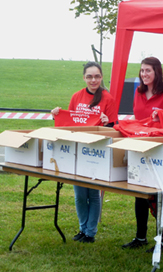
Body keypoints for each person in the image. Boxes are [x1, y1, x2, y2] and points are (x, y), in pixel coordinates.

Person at [51, 61, 118, 243]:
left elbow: (114, 129)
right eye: (89, 76)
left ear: (101, 77)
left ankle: (90, 232)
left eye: (96, 76)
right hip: (77, 151)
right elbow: (69, 121)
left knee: (93, 194)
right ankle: (82, 228)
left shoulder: (108, 99)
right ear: (84, 78)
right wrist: (56, 114)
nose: (93, 80)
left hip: (96, 152)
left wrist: (106, 123)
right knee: (80, 194)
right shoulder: (77, 97)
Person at [122, 57, 163, 252]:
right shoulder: (138, 93)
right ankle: (140, 236)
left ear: (157, 72)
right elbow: (138, 121)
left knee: (159, 196)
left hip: (161, 151)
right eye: (142, 71)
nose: (144, 74)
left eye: (148, 71)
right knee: (139, 193)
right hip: (140, 148)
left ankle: (162, 240)